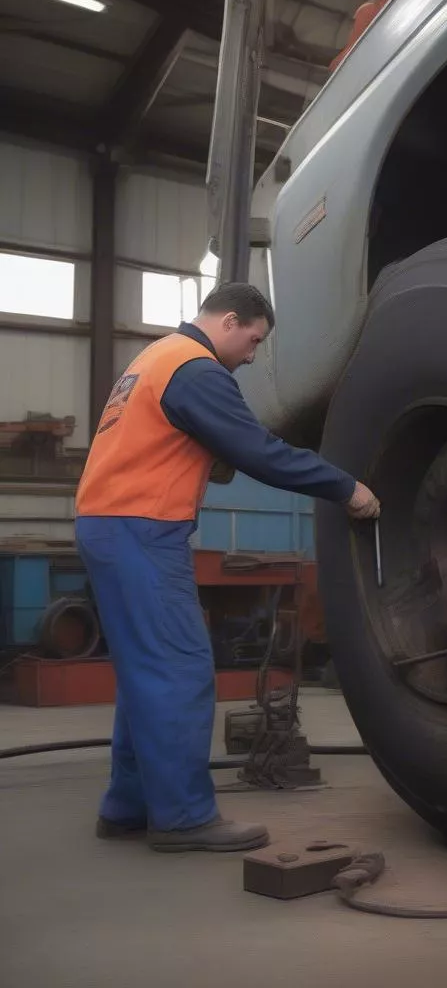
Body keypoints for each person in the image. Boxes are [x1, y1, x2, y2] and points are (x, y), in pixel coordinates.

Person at [75, 282, 379, 853]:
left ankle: (129, 805)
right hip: (140, 530)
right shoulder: (197, 369)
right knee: (180, 671)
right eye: (254, 341)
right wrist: (346, 487)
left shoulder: (155, 358)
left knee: (147, 672)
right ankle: (184, 818)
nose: (252, 356)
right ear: (232, 321)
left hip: (111, 525)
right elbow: (259, 451)